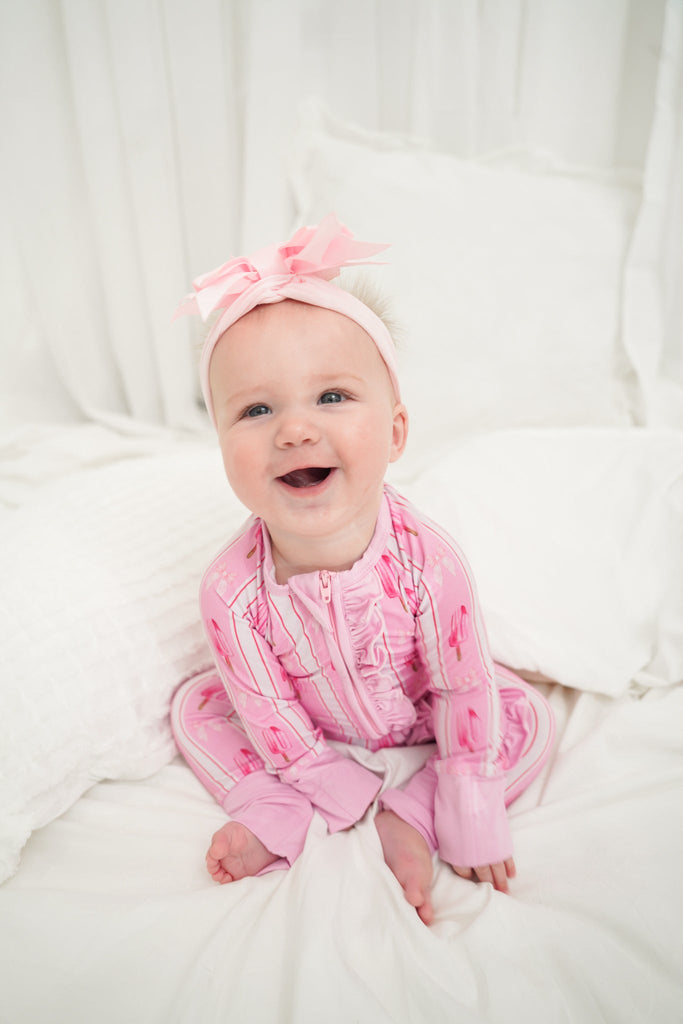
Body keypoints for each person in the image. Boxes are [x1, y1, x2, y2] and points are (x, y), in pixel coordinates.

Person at [170, 214, 554, 925]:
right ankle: (279, 807)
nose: (294, 430)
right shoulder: (231, 591)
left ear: (396, 432)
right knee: (195, 708)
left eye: (331, 397)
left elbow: (460, 683)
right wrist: (319, 774)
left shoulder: (427, 560)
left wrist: (468, 798)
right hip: (307, 736)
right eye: (256, 409)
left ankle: (416, 813)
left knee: (524, 715)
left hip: (420, 715)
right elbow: (264, 707)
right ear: (220, 445)